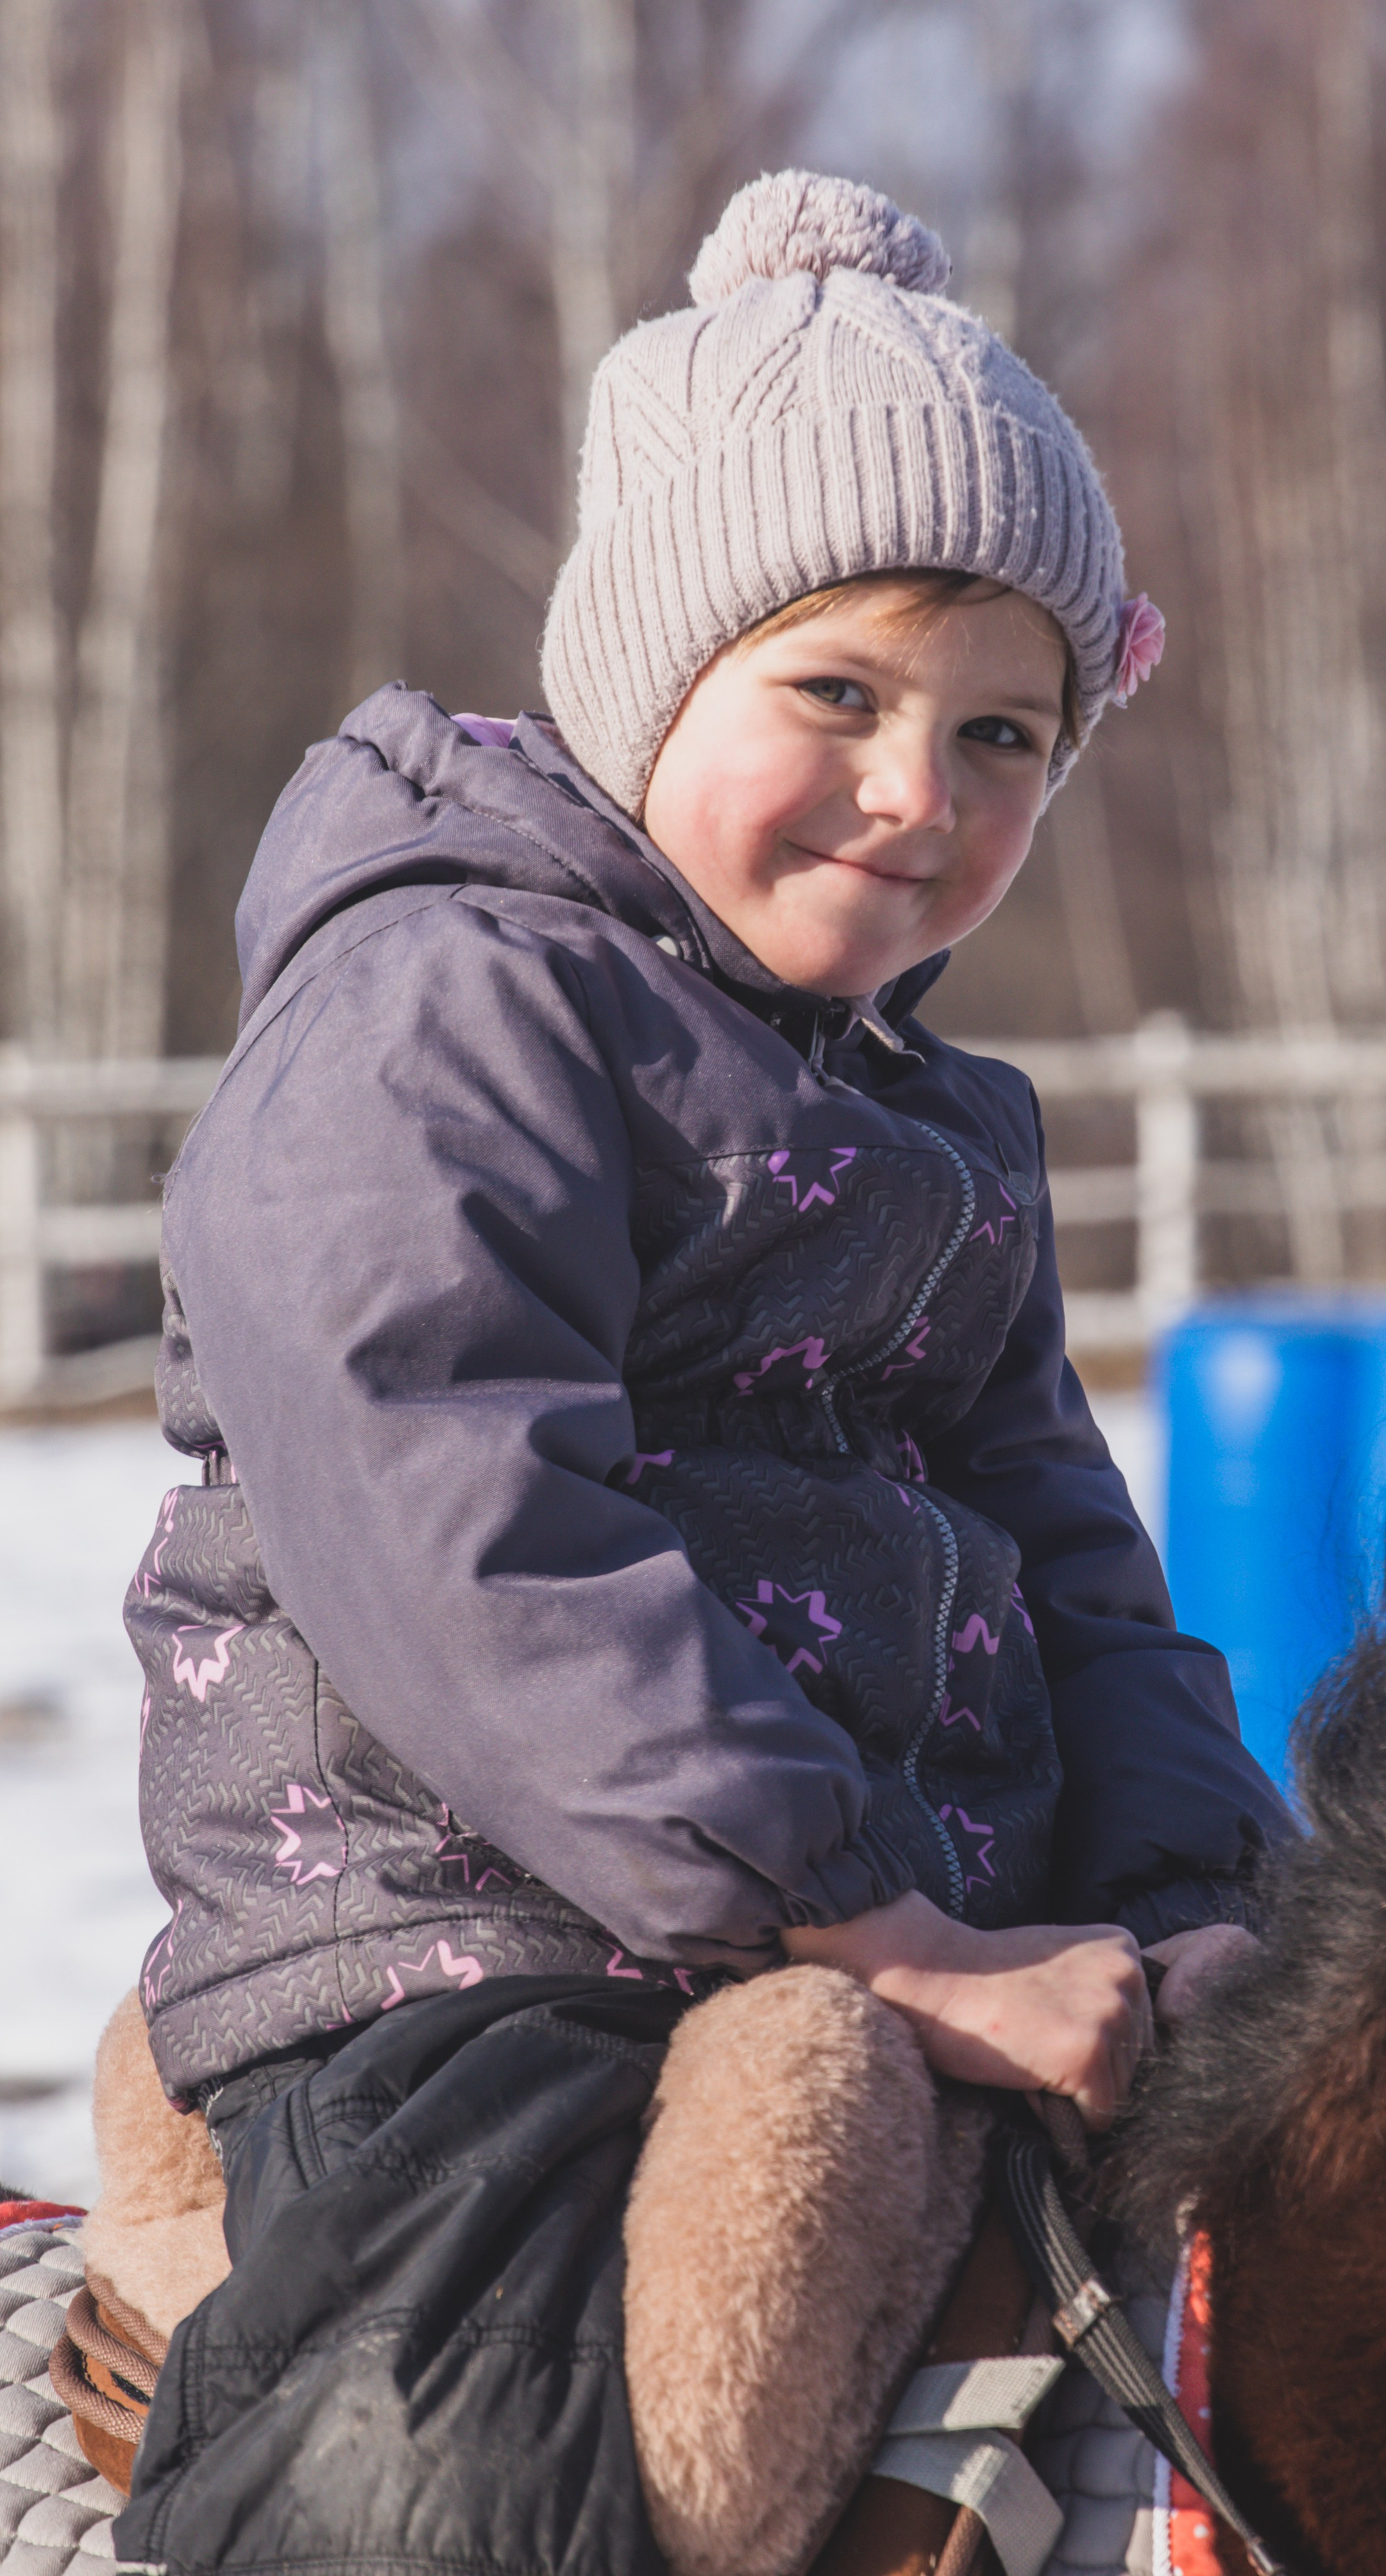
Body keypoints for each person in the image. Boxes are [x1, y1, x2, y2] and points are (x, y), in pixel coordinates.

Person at [114, 171, 1291, 2576]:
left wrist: (1204, 1886)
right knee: (464, 2471)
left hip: (903, 1914)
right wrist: (869, 1922)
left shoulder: (940, 1123)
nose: (919, 798)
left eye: (1003, 736)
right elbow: (455, 1526)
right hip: (466, 1917)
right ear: (653, 669)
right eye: (835, 697)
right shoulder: (449, 1012)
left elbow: (1065, 1536)